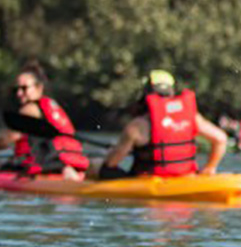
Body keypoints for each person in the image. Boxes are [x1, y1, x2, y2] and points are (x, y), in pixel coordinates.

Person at [93, 70, 230, 178]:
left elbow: (111, 164)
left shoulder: (138, 125)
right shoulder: (192, 118)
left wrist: (114, 152)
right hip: (186, 177)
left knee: (95, 165)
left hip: (148, 180)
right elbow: (221, 139)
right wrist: (210, 167)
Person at [0, 61, 88, 179]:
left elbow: (6, 139)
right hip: (67, 162)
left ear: (39, 88)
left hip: (44, 166)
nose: (19, 93)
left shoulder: (29, 109)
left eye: (24, 88)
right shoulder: (52, 106)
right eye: (17, 89)